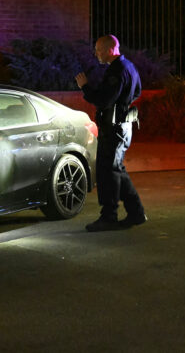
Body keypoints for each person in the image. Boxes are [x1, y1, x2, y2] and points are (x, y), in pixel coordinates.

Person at [75, 34, 146, 231]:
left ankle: (109, 216)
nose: (96, 54)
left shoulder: (117, 71)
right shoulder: (129, 67)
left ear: (109, 50)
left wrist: (85, 87)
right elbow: (138, 91)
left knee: (108, 172)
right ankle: (136, 213)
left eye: (98, 50)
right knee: (116, 170)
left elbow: (104, 100)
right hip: (122, 127)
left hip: (114, 128)